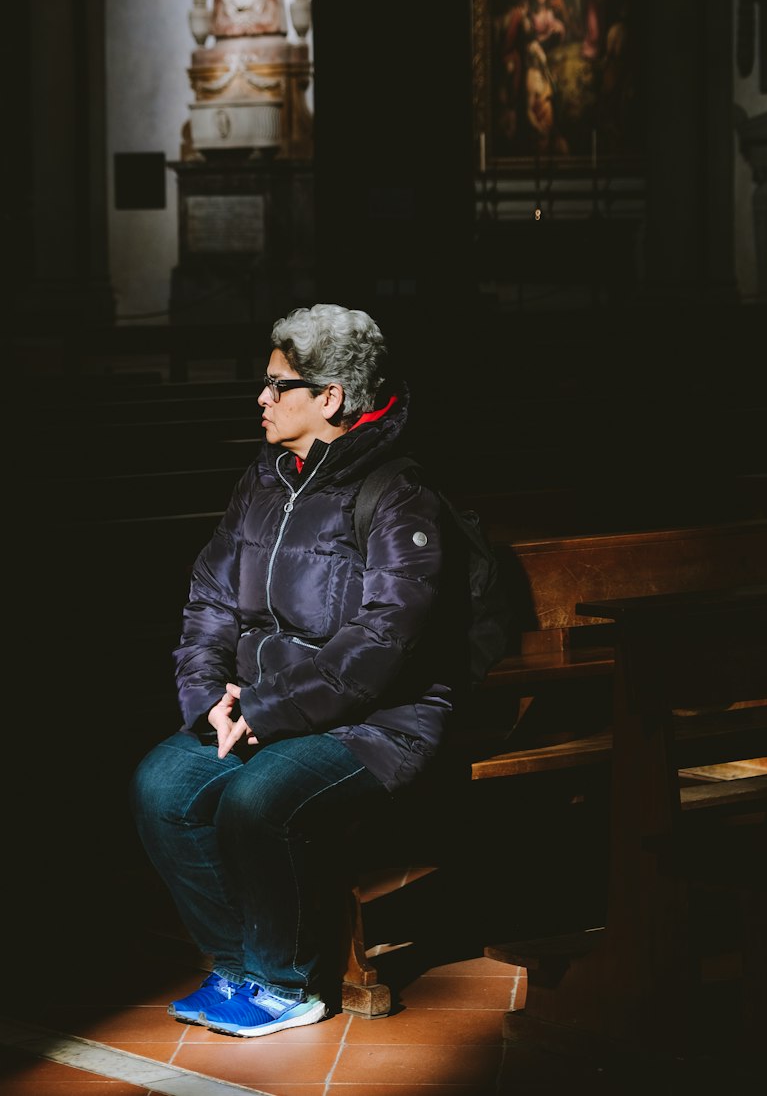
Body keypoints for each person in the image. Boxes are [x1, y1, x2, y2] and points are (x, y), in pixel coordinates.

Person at [130, 304, 450, 1037]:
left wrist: (266, 711)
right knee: (160, 786)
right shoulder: (262, 482)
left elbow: (383, 643)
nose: (262, 398)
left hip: (379, 721)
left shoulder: (399, 494)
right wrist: (210, 696)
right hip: (261, 706)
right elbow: (210, 597)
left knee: (256, 798)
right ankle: (238, 967)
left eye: (279, 385)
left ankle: (285, 984)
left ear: (330, 398)